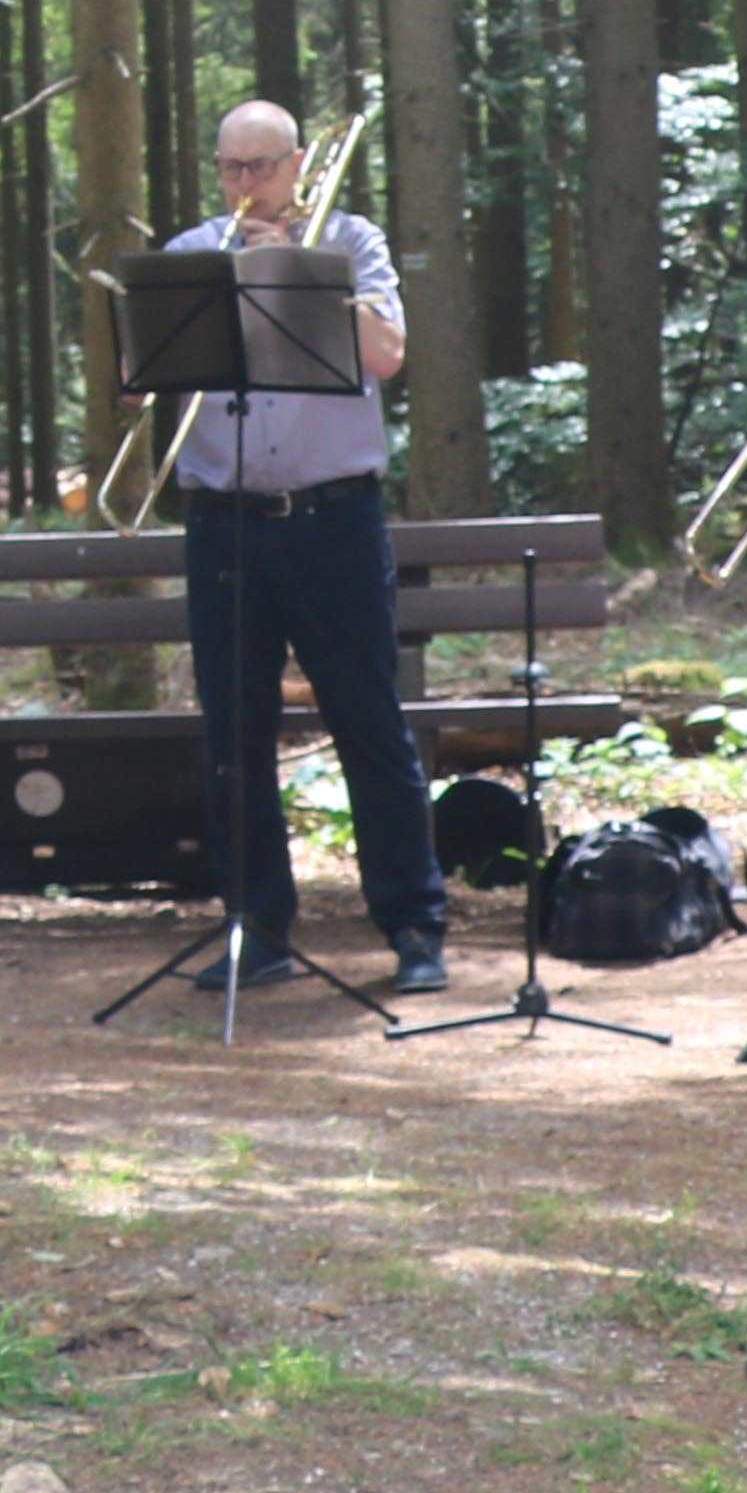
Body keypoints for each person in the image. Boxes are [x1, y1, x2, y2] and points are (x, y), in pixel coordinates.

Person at [158, 100, 453, 999]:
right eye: (231, 169)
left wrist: (300, 272)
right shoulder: (189, 257)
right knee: (233, 736)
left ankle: (412, 926)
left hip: (334, 520)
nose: (246, 187)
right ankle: (258, 926)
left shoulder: (353, 243)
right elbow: (149, 380)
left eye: (262, 168)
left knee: (369, 724)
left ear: (298, 169)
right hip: (225, 523)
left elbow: (389, 353)